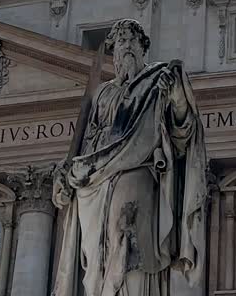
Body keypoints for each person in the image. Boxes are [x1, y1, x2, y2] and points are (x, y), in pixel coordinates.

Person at [52, 19, 207, 296]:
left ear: (143, 46)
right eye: (121, 41)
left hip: (139, 168)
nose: (126, 46)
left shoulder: (159, 79)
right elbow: (87, 142)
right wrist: (70, 174)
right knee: (99, 252)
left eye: (132, 40)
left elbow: (182, 132)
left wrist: (178, 100)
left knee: (127, 232)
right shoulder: (103, 93)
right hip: (97, 181)